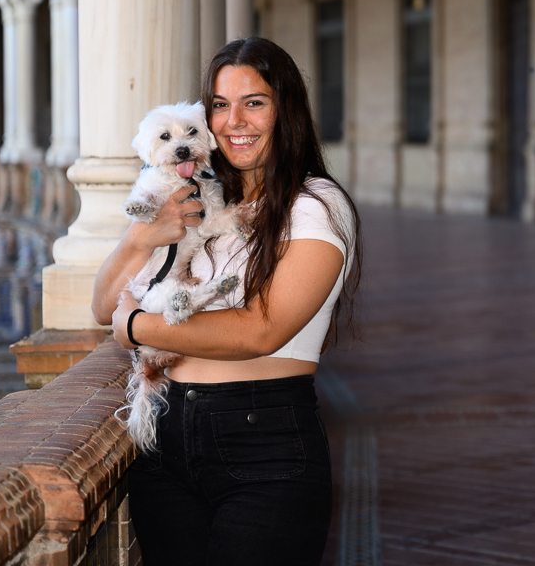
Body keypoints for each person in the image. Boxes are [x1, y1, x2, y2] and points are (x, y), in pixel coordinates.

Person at [91, 38, 362, 565]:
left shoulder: (316, 206)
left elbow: (259, 331)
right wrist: (141, 238)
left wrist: (138, 327)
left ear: (288, 111)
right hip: (166, 446)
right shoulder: (205, 202)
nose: (234, 121)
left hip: (264, 445)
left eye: (254, 102)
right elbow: (103, 307)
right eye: (219, 105)